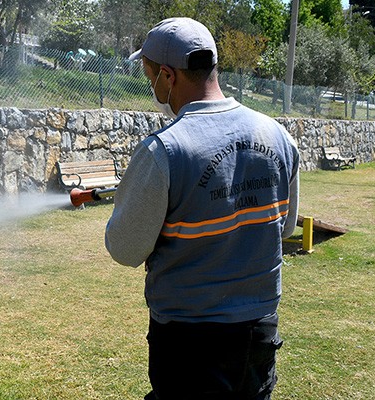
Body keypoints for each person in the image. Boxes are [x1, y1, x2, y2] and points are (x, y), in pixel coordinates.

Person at [104, 17, 300, 400]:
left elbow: (124, 250)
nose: (151, 86)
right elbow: (286, 226)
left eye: (150, 76)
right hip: (259, 332)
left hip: (189, 342)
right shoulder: (277, 135)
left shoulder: (163, 151)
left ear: (167, 76)